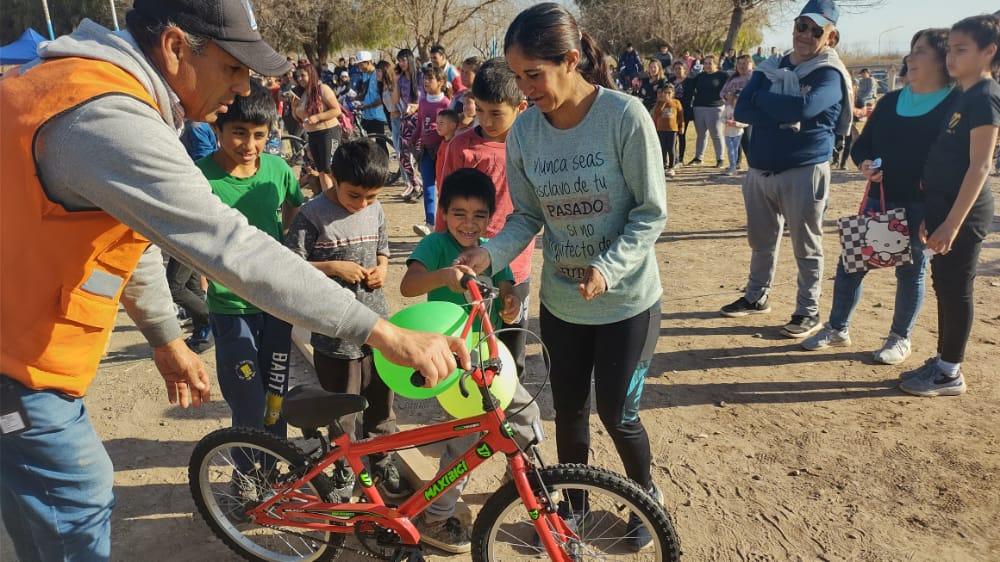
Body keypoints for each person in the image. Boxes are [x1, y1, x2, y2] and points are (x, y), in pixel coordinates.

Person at [0, 2, 469, 559]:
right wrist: (386, 333)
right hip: (18, 364)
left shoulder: (101, 92)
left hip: (32, 353)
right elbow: (235, 250)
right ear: (176, 48)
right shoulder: (105, 114)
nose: (244, 87)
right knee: (74, 505)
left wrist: (165, 338)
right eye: (233, 69)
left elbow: (129, 230)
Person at [456, 3, 668, 551]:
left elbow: (650, 212)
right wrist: (490, 255)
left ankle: (645, 497)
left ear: (570, 60)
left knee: (618, 414)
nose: (525, 91)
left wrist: (607, 267)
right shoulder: (526, 131)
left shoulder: (624, 116)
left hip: (627, 302)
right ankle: (572, 505)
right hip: (562, 302)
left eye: (534, 75)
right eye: (518, 76)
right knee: (569, 410)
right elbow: (526, 216)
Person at [400, 168, 541, 553]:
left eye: (479, 215)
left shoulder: (490, 249)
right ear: (443, 212)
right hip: (454, 362)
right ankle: (435, 517)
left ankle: (520, 484)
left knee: (527, 418)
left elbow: (509, 288)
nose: (469, 222)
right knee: (463, 444)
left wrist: (510, 304)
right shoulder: (434, 247)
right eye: (459, 213)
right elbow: (408, 285)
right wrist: (443, 276)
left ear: (490, 219)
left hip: (491, 358)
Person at [802, 28, 958, 365]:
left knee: (911, 272)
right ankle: (837, 327)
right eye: (911, 50)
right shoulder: (890, 101)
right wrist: (865, 165)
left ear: (942, 59)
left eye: (920, 51)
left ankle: (899, 338)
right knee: (852, 266)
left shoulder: (955, 103)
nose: (910, 57)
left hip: (923, 206)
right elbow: (862, 146)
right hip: (881, 200)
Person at [284, 139, 413, 498]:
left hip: (376, 327)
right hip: (334, 333)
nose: (363, 204)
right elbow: (289, 267)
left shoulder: (375, 210)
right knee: (341, 405)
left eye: (371, 197)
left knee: (381, 399)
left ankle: (381, 457)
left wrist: (383, 269)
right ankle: (342, 464)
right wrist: (331, 267)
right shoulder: (311, 216)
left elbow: (383, 250)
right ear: (334, 180)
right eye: (354, 195)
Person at [720, 0, 853, 339]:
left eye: (815, 30)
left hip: (803, 171)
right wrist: (779, 108)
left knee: (806, 246)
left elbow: (806, 106)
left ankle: (808, 311)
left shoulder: (829, 73)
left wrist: (763, 100)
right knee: (761, 241)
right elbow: (743, 109)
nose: (805, 35)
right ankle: (756, 296)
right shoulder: (771, 66)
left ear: (831, 37)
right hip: (761, 170)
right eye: (801, 26)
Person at [900, 14, 999, 397]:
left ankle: (949, 372)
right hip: (941, 206)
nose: (952, 58)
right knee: (944, 285)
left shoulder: (986, 97)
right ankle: (943, 357)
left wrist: (953, 224)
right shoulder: (963, 94)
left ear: (988, 52)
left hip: (965, 213)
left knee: (957, 289)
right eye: (950, 50)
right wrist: (933, 213)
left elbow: (980, 165)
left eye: (962, 50)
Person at [436, 57, 533, 376]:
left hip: (515, 266)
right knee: (468, 347)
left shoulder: (535, 145)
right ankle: (470, 417)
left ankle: (508, 420)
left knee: (509, 348)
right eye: (480, 111)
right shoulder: (461, 148)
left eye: (496, 113)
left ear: (520, 106)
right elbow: (444, 206)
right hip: (467, 263)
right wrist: (442, 254)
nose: (487, 121)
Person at [410, 66, 451, 237]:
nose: (426, 82)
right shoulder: (423, 101)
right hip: (426, 152)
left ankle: (445, 223)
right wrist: (412, 140)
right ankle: (430, 223)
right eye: (424, 79)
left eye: (430, 79)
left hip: (442, 151)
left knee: (443, 187)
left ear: (440, 82)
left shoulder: (446, 104)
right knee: (428, 186)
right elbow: (420, 124)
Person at [294, 63, 342, 193]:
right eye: (297, 76)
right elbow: (300, 117)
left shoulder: (323, 89)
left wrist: (318, 117)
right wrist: (294, 106)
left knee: (329, 168)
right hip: (313, 135)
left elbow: (336, 110)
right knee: (321, 170)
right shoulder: (303, 94)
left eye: (303, 75)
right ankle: (328, 198)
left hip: (328, 133)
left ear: (311, 74)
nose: (299, 79)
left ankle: (340, 197)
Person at [688, 54, 729, 167]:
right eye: (705, 63)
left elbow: (729, 89)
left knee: (716, 134)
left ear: (716, 64)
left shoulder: (722, 75)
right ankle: (698, 158)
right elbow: (689, 85)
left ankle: (720, 159)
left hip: (715, 108)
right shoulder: (700, 76)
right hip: (699, 107)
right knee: (701, 134)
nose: (707, 65)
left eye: (710, 63)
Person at [395, 49, 423, 201]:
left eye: (404, 60)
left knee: (419, 154)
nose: (401, 63)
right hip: (406, 119)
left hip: (420, 119)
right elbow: (395, 100)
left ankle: (425, 186)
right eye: (399, 60)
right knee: (403, 155)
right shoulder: (400, 80)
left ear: (410, 59)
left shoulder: (421, 76)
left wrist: (416, 106)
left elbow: (424, 97)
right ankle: (416, 185)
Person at [721, 54, 756, 166]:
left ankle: (752, 163)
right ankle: (736, 162)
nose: (742, 66)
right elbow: (722, 92)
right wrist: (727, 97)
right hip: (733, 112)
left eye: (745, 63)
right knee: (736, 138)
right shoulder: (732, 78)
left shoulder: (754, 77)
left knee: (746, 139)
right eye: (739, 64)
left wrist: (738, 96)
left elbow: (755, 93)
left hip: (747, 112)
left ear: (751, 65)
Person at [354, 51, 389, 153]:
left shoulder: (377, 74)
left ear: (368, 62)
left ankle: (385, 167)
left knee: (381, 144)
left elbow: (382, 98)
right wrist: (356, 99)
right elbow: (366, 92)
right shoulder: (365, 75)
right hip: (367, 115)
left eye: (361, 64)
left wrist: (367, 106)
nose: (359, 67)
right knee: (370, 145)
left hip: (378, 116)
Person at [653, 83, 684, 176]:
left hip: (672, 129)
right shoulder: (659, 103)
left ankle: (671, 166)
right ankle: (663, 165)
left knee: (671, 148)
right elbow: (656, 115)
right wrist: (663, 103)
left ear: (673, 93)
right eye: (665, 92)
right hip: (661, 129)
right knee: (662, 148)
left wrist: (681, 126)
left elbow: (680, 116)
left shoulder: (676, 102)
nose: (667, 95)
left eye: (669, 93)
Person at [671, 60, 695, 165]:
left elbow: (690, 96)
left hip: (684, 111)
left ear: (685, 70)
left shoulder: (690, 81)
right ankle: (673, 158)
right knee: (672, 135)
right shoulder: (671, 81)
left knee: (681, 134)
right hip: (672, 111)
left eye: (680, 68)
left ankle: (680, 159)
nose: (677, 71)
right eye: (675, 69)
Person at [722, 90, 748, 176]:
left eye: (738, 99)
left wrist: (736, 124)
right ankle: (732, 166)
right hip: (727, 133)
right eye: (735, 98)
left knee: (735, 150)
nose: (736, 100)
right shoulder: (728, 108)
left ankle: (733, 167)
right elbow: (722, 118)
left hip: (738, 133)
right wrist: (726, 121)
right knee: (730, 150)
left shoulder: (743, 110)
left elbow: (746, 123)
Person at [434, 108, 461, 184]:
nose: (438, 126)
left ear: (453, 126)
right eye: (437, 123)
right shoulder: (443, 142)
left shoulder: (455, 145)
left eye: (441, 123)